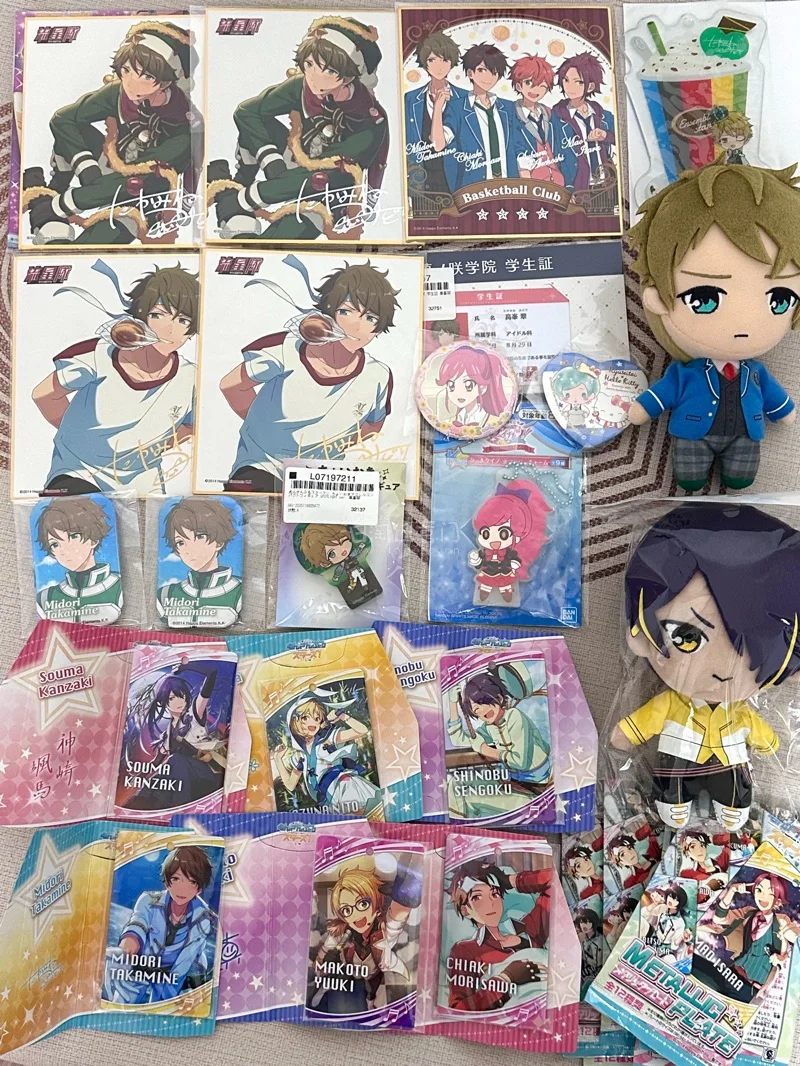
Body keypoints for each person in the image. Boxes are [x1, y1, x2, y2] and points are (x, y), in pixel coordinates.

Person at [612, 503, 800, 830]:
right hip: (677, 763)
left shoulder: (740, 712)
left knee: (735, 798)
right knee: (671, 792)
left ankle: (731, 806)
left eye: (755, 646)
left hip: (728, 766)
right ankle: (674, 802)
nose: (722, 669)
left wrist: (769, 743)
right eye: (687, 637)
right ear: (641, 637)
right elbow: (642, 722)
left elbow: (762, 735)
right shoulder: (672, 703)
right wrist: (626, 734)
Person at [627, 164, 799, 491]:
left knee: (741, 479)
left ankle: (735, 477)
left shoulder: (757, 373)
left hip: (746, 436)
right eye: (704, 299)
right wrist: (642, 409)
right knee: (688, 478)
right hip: (693, 433)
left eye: (780, 299)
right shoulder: (684, 374)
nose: (744, 324)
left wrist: (784, 411)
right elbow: (663, 393)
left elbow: (774, 397)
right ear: (659, 298)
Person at [221, 260, 399, 493]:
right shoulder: (286, 348)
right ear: (327, 315)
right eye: (346, 311)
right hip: (262, 465)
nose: (357, 326)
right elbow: (231, 386)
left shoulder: (378, 374)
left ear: (379, 329)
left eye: (370, 318)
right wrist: (267, 431)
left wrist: (330, 446)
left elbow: (373, 425)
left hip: (323, 476)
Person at [208, 17, 388, 240]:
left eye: (327, 70)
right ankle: (240, 184)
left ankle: (230, 199)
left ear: (349, 76)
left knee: (272, 243)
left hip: (328, 191)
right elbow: (247, 112)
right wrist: (272, 164)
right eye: (309, 64)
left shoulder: (369, 122)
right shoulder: (302, 86)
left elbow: (324, 176)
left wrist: (249, 197)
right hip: (298, 159)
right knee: (256, 124)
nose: (313, 77)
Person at [24, 21, 200, 245]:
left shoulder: (185, 128)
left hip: (144, 195)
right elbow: (63, 119)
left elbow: (137, 181)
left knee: (92, 244)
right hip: (113, 165)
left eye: (146, 76)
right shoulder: (118, 93)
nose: (130, 83)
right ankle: (55, 189)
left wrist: (63, 204)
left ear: (167, 81)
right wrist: (88, 170)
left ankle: (49, 213)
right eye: (126, 70)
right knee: (75, 131)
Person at [32, 261, 198, 495]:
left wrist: (148, 446)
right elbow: (44, 395)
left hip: (142, 481)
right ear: (140, 318)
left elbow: (192, 426)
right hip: (80, 471)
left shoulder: (191, 377)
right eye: (158, 315)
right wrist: (86, 441)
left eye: (183, 321)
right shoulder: (99, 354)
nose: (169, 330)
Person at [105, 846, 217, 1004]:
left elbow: (188, 959)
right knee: (121, 1003)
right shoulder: (148, 900)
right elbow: (137, 923)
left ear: (199, 888)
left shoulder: (204, 918)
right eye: (176, 879)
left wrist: (170, 994)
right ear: (167, 880)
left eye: (191, 881)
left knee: (162, 1008)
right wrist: (126, 948)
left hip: (175, 975)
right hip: (141, 964)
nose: (182, 888)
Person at [310, 856, 422, 1014]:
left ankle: (371, 1005)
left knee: (373, 993)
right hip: (347, 969)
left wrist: (407, 891)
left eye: (362, 904)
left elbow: (397, 916)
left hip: (374, 973)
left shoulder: (383, 932)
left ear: (376, 903)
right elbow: (329, 943)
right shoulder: (344, 931)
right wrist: (320, 958)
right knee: (338, 981)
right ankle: (324, 990)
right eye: (347, 910)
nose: (356, 914)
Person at [120, 661, 229, 810]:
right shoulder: (167, 735)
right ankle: (138, 803)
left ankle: (179, 807)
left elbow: (212, 674)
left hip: (206, 774)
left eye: (181, 696)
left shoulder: (194, 713)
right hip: (183, 780)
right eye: (171, 698)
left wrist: (187, 667)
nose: (179, 701)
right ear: (163, 703)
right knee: (159, 777)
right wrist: (138, 776)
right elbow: (156, 763)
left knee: (176, 760)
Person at [447, 858, 549, 1012]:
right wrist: (506, 978)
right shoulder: (465, 951)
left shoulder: (528, 930)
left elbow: (553, 882)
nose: (490, 903)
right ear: (465, 910)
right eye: (477, 897)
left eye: (494, 894)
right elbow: (458, 1009)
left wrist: (511, 880)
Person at [271, 689, 382, 816]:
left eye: (317, 718)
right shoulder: (300, 756)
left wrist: (343, 717)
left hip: (343, 784)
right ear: (294, 722)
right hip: (329, 797)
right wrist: (278, 759)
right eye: (305, 717)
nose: (313, 723)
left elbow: (362, 730)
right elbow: (290, 785)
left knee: (361, 817)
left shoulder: (328, 739)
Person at [447, 665, 552, 795]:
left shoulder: (514, 716)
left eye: (483, 702)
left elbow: (520, 762)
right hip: (516, 781)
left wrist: (485, 750)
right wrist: (452, 703)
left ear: (499, 698)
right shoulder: (489, 727)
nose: (482, 711)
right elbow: (458, 739)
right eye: (476, 710)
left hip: (538, 782)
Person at [444, 43, 526, 191]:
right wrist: (438, 108)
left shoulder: (508, 108)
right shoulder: (457, 108)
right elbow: (440, 143)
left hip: (509, 186)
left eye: (494, 72)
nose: (488, 77)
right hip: (473, 188)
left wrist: (525, 177)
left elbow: (519, 145)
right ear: (470, 73)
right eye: (482, 70)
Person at [705, 872, 799, 1000]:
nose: (763, 896)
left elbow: (794, 937)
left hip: (751, 987)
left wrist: (784, 953)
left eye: (770, 893)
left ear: (778, 899)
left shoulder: (781, 920)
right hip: (731, 972)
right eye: (759, 890)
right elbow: (719, 919)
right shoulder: (749, 912)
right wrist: (732, 891)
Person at [34, 496, 122, 623]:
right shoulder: (46, 597)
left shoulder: (117, 587)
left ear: (94, 539)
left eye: (74, 536)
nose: (65, 550)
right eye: (55, 544)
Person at [157, 498, 242, 627]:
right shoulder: (166, 594)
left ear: (219, 542)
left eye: (200, 536)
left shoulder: (238, 591)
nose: (189, 549)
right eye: (180, 542)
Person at [403, 32, 468, 194]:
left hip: (457, 180)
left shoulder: (464, 98)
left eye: (444, 60)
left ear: (452, 63)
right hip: (420, 181)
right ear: (424, 62)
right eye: (432, 60)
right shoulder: (411, 99)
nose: (439, 67)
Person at [469, 480, 551, 603]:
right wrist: (476, 560)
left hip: (505, 572)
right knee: (486, 585)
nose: (494, 541)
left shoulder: (509, 552)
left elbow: (514, 559)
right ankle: (485, 592)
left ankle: (505, 593)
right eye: (486, 534)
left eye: (503, 534)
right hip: (487, 573)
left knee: (505, 586)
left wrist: (514, 563)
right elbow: (479, 563)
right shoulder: (485, 552)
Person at [550, 52, 615, 192]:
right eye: (566, 80)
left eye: (578, 82)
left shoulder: (602, 115)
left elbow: (623, 138)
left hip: (608, 184)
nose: (570, 87)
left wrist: (605, 135)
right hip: (578, 188)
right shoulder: (556, 117)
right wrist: (566, 187)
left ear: (590, 86)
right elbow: (555, 154)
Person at [509, 54, 563, 184]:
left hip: (558, 181)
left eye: (542, 85)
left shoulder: (549, 114)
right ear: (519, 86)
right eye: (529, 83)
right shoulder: (512, 114)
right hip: (532, 183)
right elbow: (517, 148)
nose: (535, 89)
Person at [435, 343, 512, 431]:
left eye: (468, 385)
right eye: (451, 385)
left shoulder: (494, 421)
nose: (459, 392)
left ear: (482, 388)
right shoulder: (448, 422)